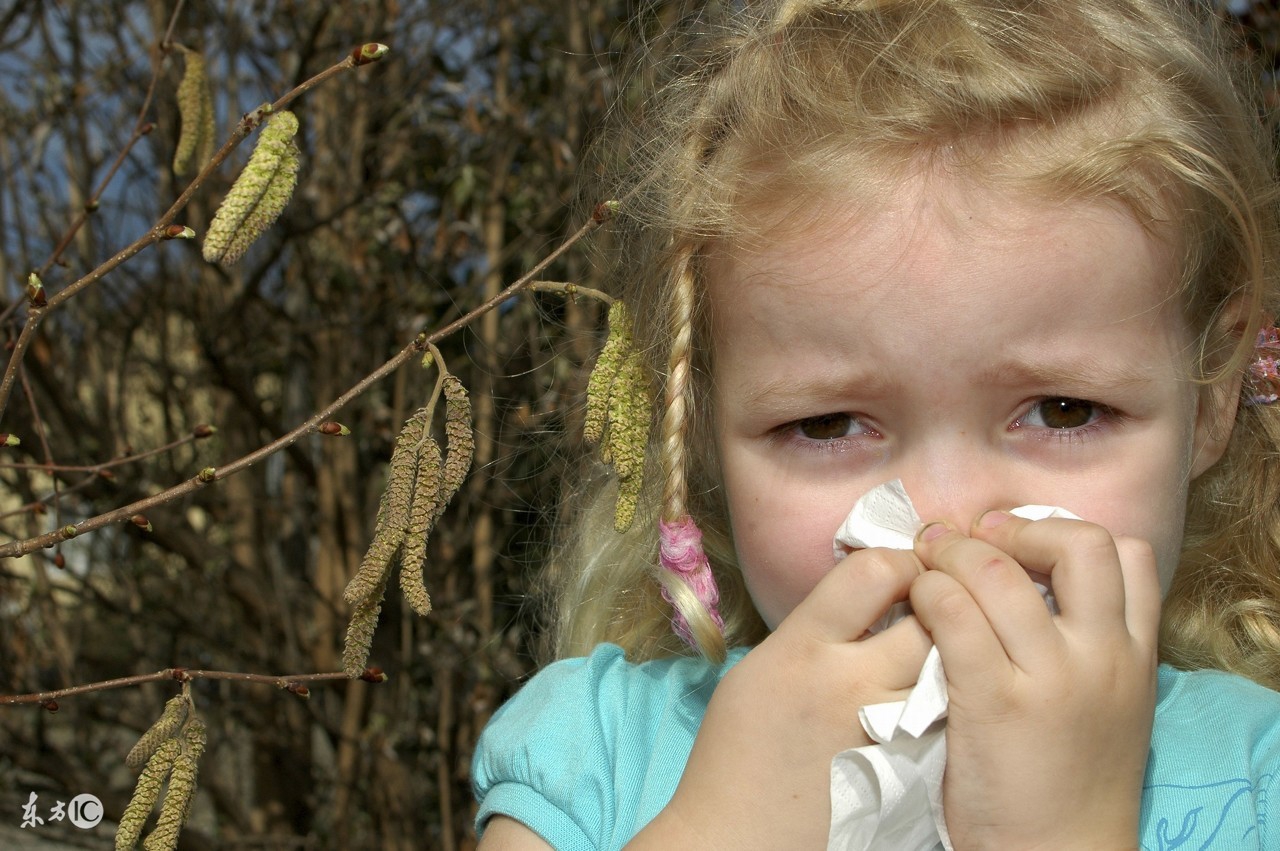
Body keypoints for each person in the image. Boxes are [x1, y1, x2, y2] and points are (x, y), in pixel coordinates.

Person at [472, 0, 1280, 848]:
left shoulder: (1258, 783)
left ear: (1213, 396)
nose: (943, 517)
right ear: (701, 427)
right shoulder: (596, 756)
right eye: (827, 425)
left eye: (1062, 410)